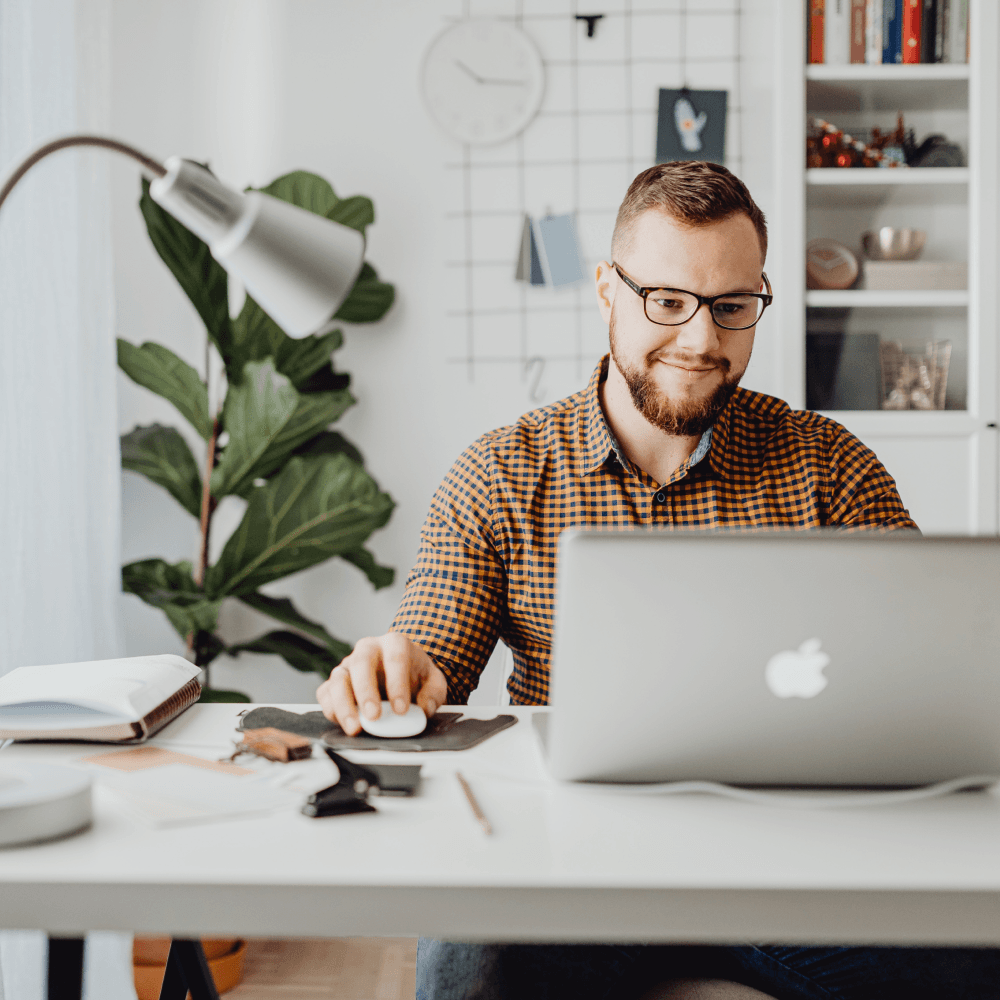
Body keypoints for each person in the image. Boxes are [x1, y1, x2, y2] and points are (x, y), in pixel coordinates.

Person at [317, 162, 999, 1000]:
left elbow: (932, 667)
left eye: (731, 307)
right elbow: (429, 656)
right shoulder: (501, 472)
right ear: (607, 289)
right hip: (573, 867)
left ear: (759, 301)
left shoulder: (830, 467)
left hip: (801, 863)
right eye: (666, 301)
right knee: (474, 972)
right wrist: (396, 670)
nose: (702, 340)